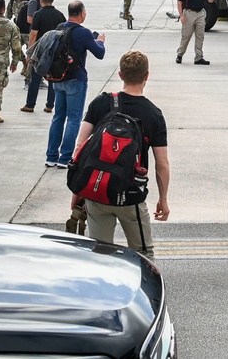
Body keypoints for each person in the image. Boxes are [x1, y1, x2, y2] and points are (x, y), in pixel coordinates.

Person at [70, 50, 170, 258]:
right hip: (130, 196)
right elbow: (162, 163)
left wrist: (79, 191)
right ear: (146, 76)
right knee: (143, 253)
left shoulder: (101, 103)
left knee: (100, 253)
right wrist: (163, 199)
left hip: (98, 193)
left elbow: (81, 147)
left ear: (121, 75)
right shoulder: (154, 114)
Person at [46, 0, 105, 168]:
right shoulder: (83, 33)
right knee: (74, 119)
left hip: (58, 79)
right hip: (75, 79)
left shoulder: (59, 28)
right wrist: (100, 41)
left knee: (58, 117)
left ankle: (51, 156)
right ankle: (65, 158)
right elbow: (99, 53)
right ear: (82, 14)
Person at [21, 0, 64, 113]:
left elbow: (33, 34)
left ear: (41, 0)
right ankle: (50, 105)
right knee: (52, 79)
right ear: (52, 0)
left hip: (40, 51)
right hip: (55, 51)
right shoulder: (59, 15)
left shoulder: (38, 14)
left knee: (35, 78)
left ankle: (30, 105)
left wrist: (29, 52)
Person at [175, 0, 215, 65]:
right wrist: (181, 15)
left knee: (200, 36)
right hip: (189, 13)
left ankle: (198, 57)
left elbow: (210, 0)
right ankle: (180, 54)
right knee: (186, 35)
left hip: (200, 14)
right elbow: (179, 2)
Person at [22, 0, 55, 87]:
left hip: (43, 36)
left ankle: (39, 80)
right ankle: (28, 81)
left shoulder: (47, 5)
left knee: (40, 59)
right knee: (32, 58)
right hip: (34, 34)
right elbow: (29, 19)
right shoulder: (34, 2)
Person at [6, 0, 31, 75]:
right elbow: (8, 15)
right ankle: (24, 62)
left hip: (28, 30)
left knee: (31, 51)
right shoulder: (13, 0)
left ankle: (29, 69)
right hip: (17, 30)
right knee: (16, 49)